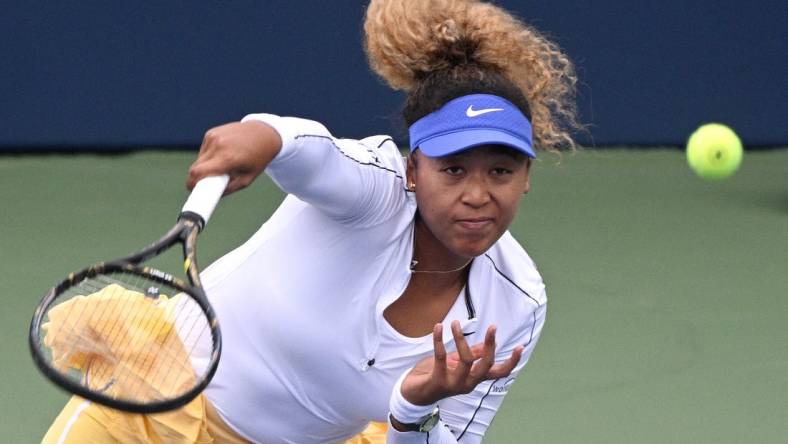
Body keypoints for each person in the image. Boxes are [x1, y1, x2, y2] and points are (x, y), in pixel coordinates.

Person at [42, 0, 578, 442]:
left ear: (527, 176)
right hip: (150, 406)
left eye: (501, 171)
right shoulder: (375, 191)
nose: (478, 195)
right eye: (454, 169)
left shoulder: (517, 304)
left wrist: (412, 406)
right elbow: (312, 153)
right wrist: (263, 136)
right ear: (413, 169)